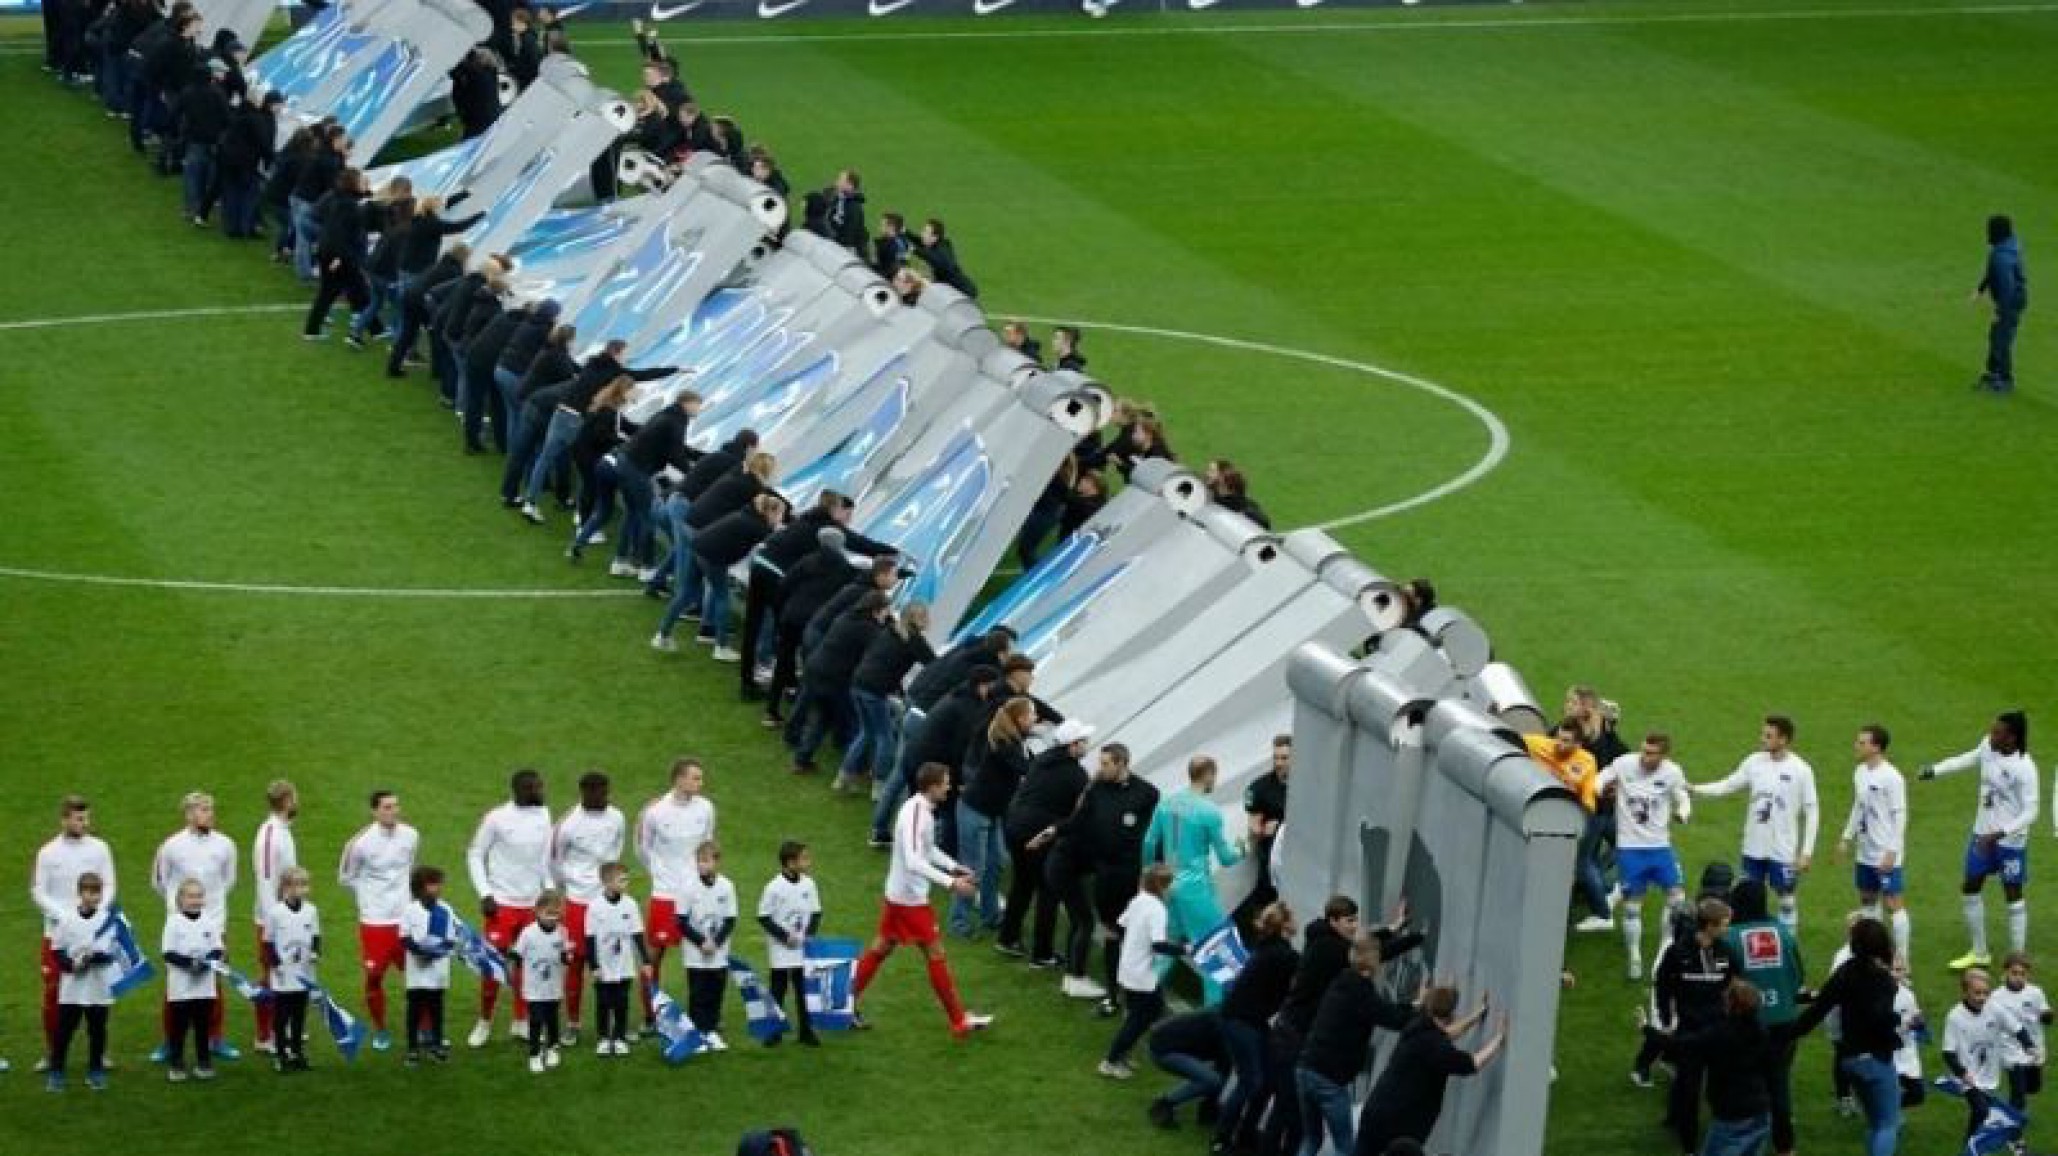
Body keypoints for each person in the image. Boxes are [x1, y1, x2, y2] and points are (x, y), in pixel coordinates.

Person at [850, 763, 993, 1037]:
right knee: (935, 954)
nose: (949, 787)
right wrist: (952, 884)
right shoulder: (917, 814)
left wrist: (953, 866)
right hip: (909, 900)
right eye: (945, 783)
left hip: (899, 894)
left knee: (881, 947)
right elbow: (915, 860)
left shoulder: (921, 811)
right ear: (932, 787)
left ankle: (844, 1003)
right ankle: (958, 1021)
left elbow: (927, 849)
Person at [1920, 710, 2037, 969]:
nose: (1991, 735)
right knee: (1970, 886)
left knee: (2013, 894)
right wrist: (1934, 770)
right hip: (1982, 834)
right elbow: (1967, 759)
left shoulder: (2025, 768)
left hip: (2010, 842)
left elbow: (2031, 811)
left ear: (2012, 738)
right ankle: (1980, 951)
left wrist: (2000, 833)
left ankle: (2017, 957)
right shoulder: (1988, 747)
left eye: (1997, 732)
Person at [1049, 741, 1160, 1010]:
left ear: (1122, 763)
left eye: (1106, 763)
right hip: (1106, 873)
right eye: (1101, 763)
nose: (1102, 768)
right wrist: (1054, 830)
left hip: (1132, 874)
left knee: (1136, 935)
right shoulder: (1097, 790)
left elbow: (1154, 834)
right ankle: (1113, 994)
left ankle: (1141, 994)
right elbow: (1078, 820)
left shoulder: (1147, 793)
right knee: (1111, 931)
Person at [1782, 918, 1904, 1156]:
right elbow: (1879, 1019)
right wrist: (1896, 1025)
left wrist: (1786, 1034)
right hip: (1875, 1060)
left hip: (1848, 1058)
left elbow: (1818, 1009)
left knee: (1874, 1123)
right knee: (1888, 1124)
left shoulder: (1845, 971)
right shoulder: (1882, 980)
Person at [1691, 716, 1819, 929]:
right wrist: (1696, 789)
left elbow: (1812, 811)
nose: (1762, 739)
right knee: (1750, 897)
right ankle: (1753, 946)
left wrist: (1806, 852)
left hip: (1783, 849)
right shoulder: (1754, 762)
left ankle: (1788, 943)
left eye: (1768, 736)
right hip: (1753, 846)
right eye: (1763, 734)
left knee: (1786, 900)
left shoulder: (1801, 770)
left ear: (1783, 739)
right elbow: (1727, 785)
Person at [1633, 898, 1740, 1155]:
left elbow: (1734, 983)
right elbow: (1662, 986)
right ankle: (1689, 1147)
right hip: (1690, 1030)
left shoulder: (1726, 950)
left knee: (1721, 1087)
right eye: (1725, 924)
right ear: (1709, 926)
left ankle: (1721, 1132)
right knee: (1689, 1091)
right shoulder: (1678, 952)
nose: (1728, 929)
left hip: (1717, 1032)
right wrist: (1666, 1019)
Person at [1296, 932, 1416, 1156]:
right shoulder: (1360, 991)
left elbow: (1381, 1010)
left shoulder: (1343, 980)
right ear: (1372, 960)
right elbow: (1392, 1018)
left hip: (1305, 1069)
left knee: (1311, 1139)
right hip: (1328, 1079)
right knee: (1346, 1147)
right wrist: (1421, 1009)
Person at [1354, 986, 1506, 1156]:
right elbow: (1472, 1063)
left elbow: (1446, 1034)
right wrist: (1498, 1040)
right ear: (1450, 1016)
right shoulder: (1435, 1047)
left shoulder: (1417, 1026)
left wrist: (1476, 1015)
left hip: (1374, 1114)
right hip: (1398, 1126)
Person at [1142, 755, 1244, 1004]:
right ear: (1209, 774)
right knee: (1213, 947)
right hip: (1195, 888)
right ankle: (1213, 1010)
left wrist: (1148, 876)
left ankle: (1141, 994)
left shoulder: (1168, 802)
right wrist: (1245, 847)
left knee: (1169, 944)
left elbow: (1149, 841)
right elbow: (1227, 858)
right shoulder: (1209, 811)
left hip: (1167, 884)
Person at [464, 769, 553, 1048]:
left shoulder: (544, 815)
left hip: (532, 904)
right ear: (521, 790)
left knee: (528, 963)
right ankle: (484, 1022)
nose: (541, 791)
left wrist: (548, 885)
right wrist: (485, 892)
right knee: (493, 965)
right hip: (502, 904)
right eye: (536, 788)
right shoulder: (497, 818)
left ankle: (521, 1020)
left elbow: (543, 858)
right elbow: (475, 852)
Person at [1596, 733, 1693, 980]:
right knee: (1632, 906)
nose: (1644, 756)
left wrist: (1683, 812)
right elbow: (1601, 778)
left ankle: (1664, 950)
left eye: (1651, 753)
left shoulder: (1672, 772)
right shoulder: (1625, 764)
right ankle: (1635, 956)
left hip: (1660, 847)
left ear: (1663, 756)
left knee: (1676, 898)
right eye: (1643, 750)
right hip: (1630, 848)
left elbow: (1683, 796)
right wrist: (1600, 788)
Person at [998, 718, 1094, 964]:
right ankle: (1042, 953)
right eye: (1083, 741)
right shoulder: (1076, 774)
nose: (1087, 745)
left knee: (1022, 884)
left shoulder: (1042, 760)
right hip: (1038, 834)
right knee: (1048, 891)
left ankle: (1007, 938)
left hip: (1015, 826)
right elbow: (1080, 813)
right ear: (1072, 746)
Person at [150, 791, 237, 1062]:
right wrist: (179, 910)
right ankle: (170, 1040)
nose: (209, 814)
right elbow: (159, 882)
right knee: (176, 983)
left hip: (213, 923)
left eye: (210, 809)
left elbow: (228, 882)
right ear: (188, 814)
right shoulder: (171, 846)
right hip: (180, 924)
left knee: (214, 981)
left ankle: (215, 1037)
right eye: (202, 810)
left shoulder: (225, 845)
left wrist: (212, 917)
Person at [33, 796, 116, 1074]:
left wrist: (96, 914)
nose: (85, 823)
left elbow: (110, 884)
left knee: (97, 991)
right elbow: (38, 891)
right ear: (65, 819)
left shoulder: (100, 849)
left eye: (87, 818)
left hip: (95, 932)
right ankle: (53, 1052)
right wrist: (65, 916)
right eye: (79, 819)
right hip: (58, 933)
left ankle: (99, 1052)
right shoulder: (48, 853)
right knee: (54, 993)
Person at [1724, 878, 1805, 1156]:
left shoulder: (1730, 937)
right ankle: (1785, 1147)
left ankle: (1744, 1141)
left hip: (1748, 1021)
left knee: (1745, 1082)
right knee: (1778, 1082)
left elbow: (1725, 983)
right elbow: (1798, 977)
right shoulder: (1781, 932)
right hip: (1784, 1020)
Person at [637, 757, 717, 1026]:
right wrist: (661, 875)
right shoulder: (656, 812)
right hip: (666, 894)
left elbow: (708, 844)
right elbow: (643, 849)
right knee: (654, 955)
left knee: (703, 953)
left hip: (696, 894)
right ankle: (651, 1015)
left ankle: (704, 1014)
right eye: (695, 778)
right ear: (679, 779)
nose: (700, 783)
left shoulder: (706, 808)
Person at [338, 789, 418, 1052]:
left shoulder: (411, 835)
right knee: (374, 977)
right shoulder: (359, 844)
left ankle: (426, 1028)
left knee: (420, 974)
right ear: (374, 811)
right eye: (386, 807)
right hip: (375, 922)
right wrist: (370, 900)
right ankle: (381, 1028)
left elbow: (410, 869)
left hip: (405, 920)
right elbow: (346, 878)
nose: (393, 811)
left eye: (395, 806)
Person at [1216, 902, 1299, 1153]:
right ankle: (1223, 1138)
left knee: (1260, 1081)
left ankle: (1242, 1134)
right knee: (1250, 1081)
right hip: (1243, 1021)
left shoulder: (1268, 949)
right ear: (1284, 925)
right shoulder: (1283, 955)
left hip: (1244, 1019)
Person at [551, 770, 625, 1045]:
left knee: (612, 962)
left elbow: (618, 846)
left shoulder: (617, 817)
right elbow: (555, 861)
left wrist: (610, 882)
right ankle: (572, 1022)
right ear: (583, 793)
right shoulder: (568, 824)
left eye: (605, 792)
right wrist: (569, 887)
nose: (603, 797)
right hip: (579, 902)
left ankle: (611, 1022)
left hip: (607, 902)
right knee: (576, 963)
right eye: (596, 793)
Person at [955, 696, 1037, 939]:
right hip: (975, 811)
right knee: (973, 870)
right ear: (1020, 719)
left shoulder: (1015, 740)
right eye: (1032, 715)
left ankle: (990, 915)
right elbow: (1028, 769)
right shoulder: (1005, 745)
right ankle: (959, 923)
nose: (1036, 719)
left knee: (998, 862)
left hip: (993, 812)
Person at [1837, 724, 1912, 964]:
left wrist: (1892, 852)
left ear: (1876, 747)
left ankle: (1902, 961)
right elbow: (1858, 807)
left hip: (1885, 852)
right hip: (1865, 851)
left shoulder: (1892, 777)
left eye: (1862, 743)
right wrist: (1846, 837)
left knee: (1893, 904)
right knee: (1868, 900)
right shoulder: (1859, 772)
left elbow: (1901, 816)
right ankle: (1875, 953)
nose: (1856, 746)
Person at [1525, 719, 1608, 931]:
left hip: (1576, 820)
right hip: (1544, 817)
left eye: (1566, 741)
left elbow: (1588, 801)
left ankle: (1598, 913)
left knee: (1579, 866)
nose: (1559, 744)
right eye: (1559, 738)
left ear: (1578, 744)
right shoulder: (1537, 744)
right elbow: (1508, 740)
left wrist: (1576, 829)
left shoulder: (1586, 761)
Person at [1102, 864, 1183, 1079]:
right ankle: (1111, 1060)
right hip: (1142, 973)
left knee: (1146, 1012)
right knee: (1141, 1017)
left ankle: (1122, 1055)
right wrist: (1184, 950)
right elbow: (1158, 945)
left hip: (1128, 966)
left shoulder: (1138, 900)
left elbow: (1121, 923)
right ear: (1162, 886)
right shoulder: (1157, 909)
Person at [1943, 967, 2040, 1140]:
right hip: (1967, 1077)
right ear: (1965, 992)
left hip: (1989, 1075)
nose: (1982, 998)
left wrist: (2029, 1046)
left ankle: (1972, 1143)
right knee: (1982, 1110)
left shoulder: (1994, 1008)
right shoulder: (1955, 1017)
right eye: (1977, 993)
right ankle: (1973, 1147)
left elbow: (2017, 1028)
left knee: (1981, 1113)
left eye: (1986, 993)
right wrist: (1962, 1073)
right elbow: (1948, 1052)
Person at [47, 871, 116, 1092]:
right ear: (79, 893)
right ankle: (57, 1071)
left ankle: (95, 1070)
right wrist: (72, 965)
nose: (93, 897)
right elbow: (57, 951)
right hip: (73, 988)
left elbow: (113, 952)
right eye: (89, 892)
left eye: (97, 892)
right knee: (65, 1030)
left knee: (97, 1030)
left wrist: (94, 958)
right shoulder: (67, 920)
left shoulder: (107, 920)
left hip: (98, 986)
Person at [757, 840, 822, 1048]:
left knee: (803, 988)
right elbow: (764, 916)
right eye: (804, 858)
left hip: (802, 947)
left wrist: (809, 934)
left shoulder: (809, 884)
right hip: (781, 948)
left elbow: (816, 912)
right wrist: (785, 937)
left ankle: (806, 1030)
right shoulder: (774, 887)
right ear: (790, 863)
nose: (808, 862)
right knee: (778, 988)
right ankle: (773, 1032)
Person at [250, 779, 298, 1057]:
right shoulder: (270, 835)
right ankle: (264, 1034)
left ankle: (285, 1027)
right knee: (270, 975)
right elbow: (266, 882)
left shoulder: (282, 831)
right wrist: (273, 924)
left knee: (289, 973)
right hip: (273, 921)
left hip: (288, 916)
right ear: (287, 801)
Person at [160, 878, 224, 1083]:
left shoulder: (209, 922)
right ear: (180, 900)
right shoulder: (173, 922)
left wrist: (205, 963)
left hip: (204, 986)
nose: (195, 900)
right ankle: (177, 1063)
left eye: (199, 896)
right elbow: (168, 953)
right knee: (179, 1026)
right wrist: (190, 964)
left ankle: (203, 1062)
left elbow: (217, 949)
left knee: (202, 1026)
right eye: (190, 896)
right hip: (181, 987)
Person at [584, 862, 649, 1057]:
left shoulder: (630, 905)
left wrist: (645, 962)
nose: (626, 883)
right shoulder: (595, 907)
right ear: (607, 882)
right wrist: (594, 965)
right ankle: (604, 1038)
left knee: (621, 1001)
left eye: (626, 879)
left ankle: (619, 1037)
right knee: (603, 1001)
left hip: (624, 965)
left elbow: (637, 935)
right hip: (603, 965)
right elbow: (590, 938)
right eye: (622, 880)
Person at [261, 866, 321, 1074]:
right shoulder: (275, 912)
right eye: (300, 885)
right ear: (287, 887)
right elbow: (267, 943)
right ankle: (280, 1054)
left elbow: (315, 936)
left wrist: (315, 953)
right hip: (283, 975)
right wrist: (276, 965)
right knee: (282, 1016)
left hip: (303, 973)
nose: (305, 889)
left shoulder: (311, 910)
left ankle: (296, 1052)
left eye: (306, 884)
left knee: (299, 1016)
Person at [679, 841, 739, 1050]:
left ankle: (711, 1031)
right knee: (697, 993)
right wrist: (701, 941)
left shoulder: (727, 886)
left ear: (717, 862)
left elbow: (730, 919)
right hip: (695, 953)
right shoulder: (687, 887)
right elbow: (681, 921)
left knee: (716, 991)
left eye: (706, 861)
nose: (702, 865)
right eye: (699, 861)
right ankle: (697, 1033)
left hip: (718, 952)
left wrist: (716, 942)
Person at [401, 866, 456, 1065]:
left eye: (438, 883)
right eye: (433, 883)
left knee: (436, 1010)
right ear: (420, 888)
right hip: (416, 973)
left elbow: (450, 939)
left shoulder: (446, 909)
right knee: (414, 1011)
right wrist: (421, 952)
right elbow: (405, 938)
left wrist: (437, 952)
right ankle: (412, 1048)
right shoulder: (409, 910)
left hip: (438, 972)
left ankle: (436, 1044)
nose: (438, 887)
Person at [511, 891, 572, 1074]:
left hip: (554, 987)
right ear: (538, 912)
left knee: (552, 1020)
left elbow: (565, 957)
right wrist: (508, 955)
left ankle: (553, 1048)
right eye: (548, 913)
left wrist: (566, 956)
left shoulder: (562, 932)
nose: (553, 918)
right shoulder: (528, 933)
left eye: (556, 914)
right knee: (536, 1021)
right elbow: (517, 955)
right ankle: (535, 1054)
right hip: (534, 989)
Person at [1238, 735, 1292, 925]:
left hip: (1300, 854)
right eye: (1276, 757)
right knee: (1266, 900)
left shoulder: (1308, 785)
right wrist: (1263, 831)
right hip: (1272, 858)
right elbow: (1254, 826)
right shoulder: (1261, 788)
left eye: (1284, 758)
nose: (1279, 763)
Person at [1146, 1008, 1229, 1130]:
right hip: (1164, 1051)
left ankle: (1208, 1114)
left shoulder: (1224, 1016)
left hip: (1166, 1044)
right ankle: (1164, 1104)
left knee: (1216, 1075)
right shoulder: (1227, 1026)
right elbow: (1226, 1063)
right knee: (1212, 1080)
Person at [1972, 214, 2029, 392]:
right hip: (2014, 299)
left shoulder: (2002, 257)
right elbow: (1992, 272)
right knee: (1997, 336)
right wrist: (1980, 290)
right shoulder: (2005, 247)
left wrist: (2000, 311)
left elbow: (2007, 287)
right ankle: (1995, 372)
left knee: (2001, 339)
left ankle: (2005, 379)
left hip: (2010, 302)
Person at [1991, 951, 2051, 1108]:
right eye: (2014, 973)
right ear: (2005, 973)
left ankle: (2012, 1108)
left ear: (2028, 975)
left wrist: (2047, 1015)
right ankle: (2014, 1129)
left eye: (2022, 974)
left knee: (2032, 1088)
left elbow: (2045, 1014)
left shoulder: (2036, 993)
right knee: (2018, 1092)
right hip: (2010, 1050)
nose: (2018, 977)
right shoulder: (1996, 997)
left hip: (2034, 1048)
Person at [914, 217, 977, 298]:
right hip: (952, 292)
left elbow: (933, 258)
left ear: (934, 237)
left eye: (926, 232)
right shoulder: (939, 244)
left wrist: (914, 250)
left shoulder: (942, 252)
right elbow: (918, 241)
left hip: (962, 293)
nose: (922, 234)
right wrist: (904, 231)